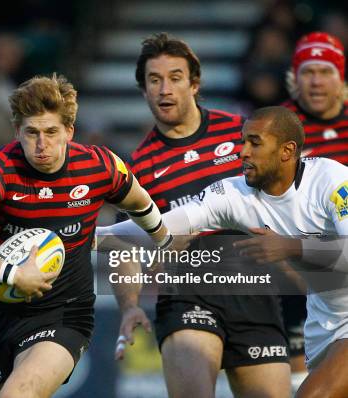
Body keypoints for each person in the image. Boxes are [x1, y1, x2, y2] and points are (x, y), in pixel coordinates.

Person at [0, 74, 172, 398]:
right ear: (16, 132)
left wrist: (165, 242)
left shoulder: (99, 165)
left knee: (18, 394)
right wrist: (15, 275)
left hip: (64, 312)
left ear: (69, 131)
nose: (41, 145)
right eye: (31, 133)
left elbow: (140, 202)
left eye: (51, 132)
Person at [99, 106, 348, 397]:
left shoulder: (332, 180)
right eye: (243, 141)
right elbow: (163, 227)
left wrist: (288, 245)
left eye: (255, 143)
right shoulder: (233, 194)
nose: (242, 152)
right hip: (325, 324)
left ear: (286, 150)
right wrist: (91, 238)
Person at [113, 33, 290, 398]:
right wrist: (129, 306)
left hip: (255, 292)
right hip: (188, 291)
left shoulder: (241, 131)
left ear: (194, 84)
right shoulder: (138, 167)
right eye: (154, 80)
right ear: (143, 90)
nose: (165, 89)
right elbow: (123, 242)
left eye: (175, 77)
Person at [280, 31, 347, 389]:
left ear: (341, 78)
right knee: (301, 384)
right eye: (308, 72)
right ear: (295, 78)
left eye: (326, 71)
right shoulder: (277, 129)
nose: (317, 81)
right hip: (295, 276)